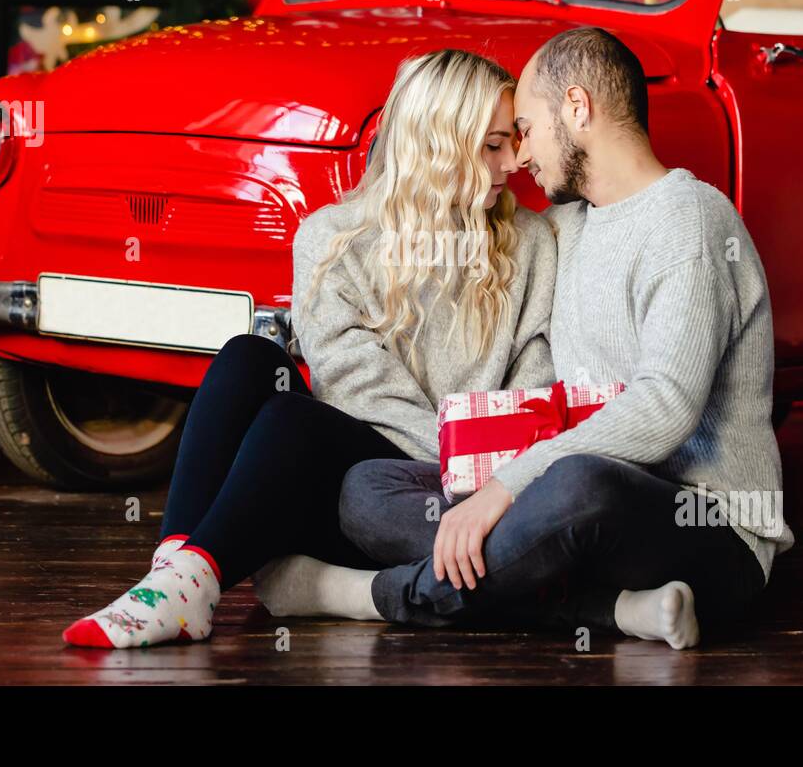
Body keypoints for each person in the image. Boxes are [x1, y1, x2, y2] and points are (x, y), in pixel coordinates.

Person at [254, 26, 795, 649]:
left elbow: (665, 408)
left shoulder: (691, 223)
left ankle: (371, 596)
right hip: (570, 517)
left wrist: (507, 486)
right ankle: (610, 607)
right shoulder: (567, 228)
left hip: (704, 525)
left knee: (580, 483)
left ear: (577, 107)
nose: (519, 158)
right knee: (368, 489)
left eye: (528, 128)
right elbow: (457, 237)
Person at [62, 48, 557, 648]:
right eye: (492, 145)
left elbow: (527, 402)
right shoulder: (332, 236)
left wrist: (465, 468)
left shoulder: (530, 246)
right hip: (335, 470)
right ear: (439, 142)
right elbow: (357, 392)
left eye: (512, 141)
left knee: (292, 420)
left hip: (437, 499)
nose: (514, 162)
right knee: (250, 359)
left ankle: (185, 584)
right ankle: (175, 574)